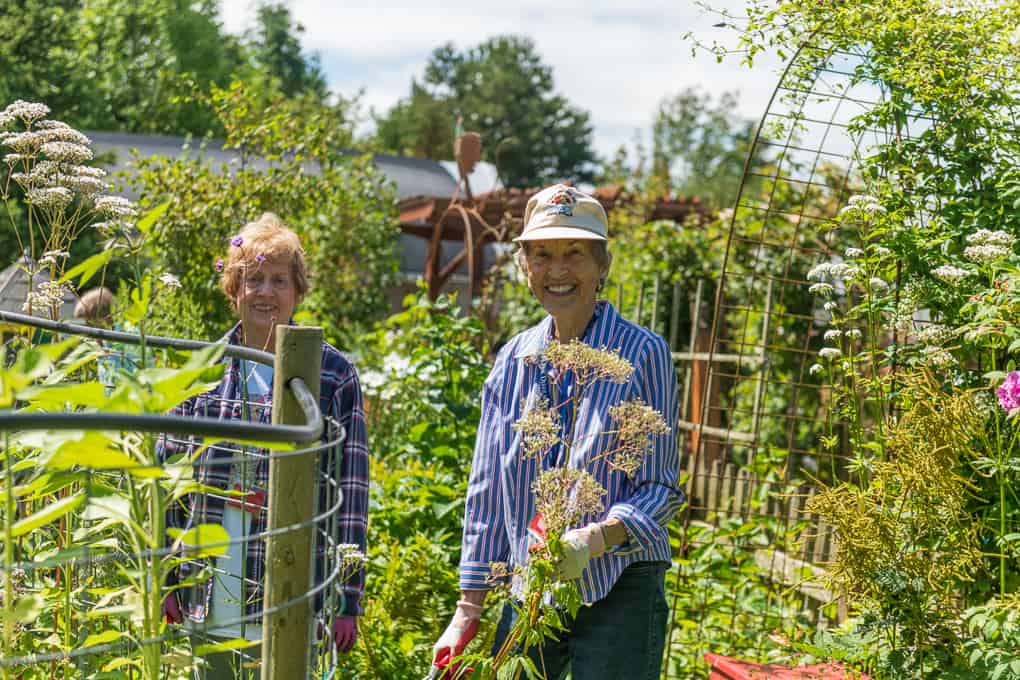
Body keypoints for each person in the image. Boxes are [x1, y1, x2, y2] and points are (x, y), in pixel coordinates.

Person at [431, 185, 684, 680]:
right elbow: (485, 491)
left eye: (575, 253)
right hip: (531, 587)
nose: (558, 270)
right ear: (525, 266)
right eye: (542, 254)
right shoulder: (514, 360)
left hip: (621, 582)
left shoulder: (641, 355)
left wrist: (595, 538)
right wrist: (468, 609)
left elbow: (661, 489)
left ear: (602, 265)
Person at [159, 213, 368, 679]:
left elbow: (351, 491)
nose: (266, 293)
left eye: (279, 280)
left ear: (297, 291)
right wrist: (166, 578)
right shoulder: (205, 373)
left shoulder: (333, 375)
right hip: (214, 572)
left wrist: (347, 596)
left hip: (299, 578)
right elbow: (168, 479)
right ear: (234, 289)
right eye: (254, 279)